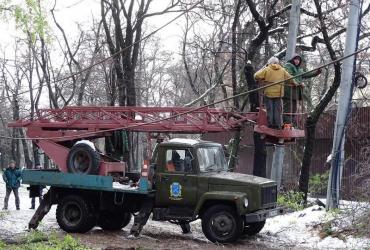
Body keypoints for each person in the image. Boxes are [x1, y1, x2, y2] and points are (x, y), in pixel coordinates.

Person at [254, 56, 296, 129]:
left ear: (269, 62)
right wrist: (295, 83)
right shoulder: (282, 70)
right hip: (279, 94)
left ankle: (271, 125)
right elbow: (290, 78)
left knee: (270, 110)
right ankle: (278, 125)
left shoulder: (267, 69)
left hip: (268, 93)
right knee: (278, 110)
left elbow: (256, 75)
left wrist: (262, 78)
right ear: (278, 62)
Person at [283, 53, 322, 124]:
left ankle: (289, 125)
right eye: (296, 59)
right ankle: (286, 124)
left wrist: (317, 72)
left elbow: (308, 74)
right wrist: (298, 83)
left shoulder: (299, 70)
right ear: (292, 59)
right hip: (288, 92)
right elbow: (288, 76)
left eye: (298, 60)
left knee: (293, 110)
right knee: (288, 110)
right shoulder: (288, 66)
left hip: (295, 94)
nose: (297, 61)